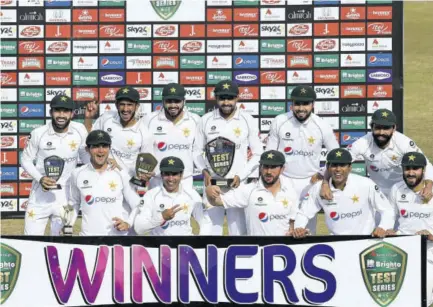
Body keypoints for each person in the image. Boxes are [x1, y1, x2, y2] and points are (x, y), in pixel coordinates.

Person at [193, 79, 264, 235]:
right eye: (222, 97)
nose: (226, 102)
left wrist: (241, 175)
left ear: (237, 98)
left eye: (230, 98)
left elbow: (258, 152)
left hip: (237, 186)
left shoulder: (248, 120)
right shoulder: (205, 120)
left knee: (238, 234)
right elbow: (196, 151)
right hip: (212, 185)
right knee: (210, 233)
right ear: (216, 98)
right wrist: (204, 171)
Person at [266, 85, 339, 235]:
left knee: (306, 227)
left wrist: (322, 174)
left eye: (305, 104)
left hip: (310, 182)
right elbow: (269, 154)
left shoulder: (322, 125)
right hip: (283, 180)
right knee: (280, 224)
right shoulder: (280, 121)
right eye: (297, 103)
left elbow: (336, 155)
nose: (301, 108)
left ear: (313, 104)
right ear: (291, 104)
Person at [321, 108, 433, 200]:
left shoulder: (403, 142)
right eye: (378, 128)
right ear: (372, 127)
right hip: (378, 192)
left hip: (403, 189)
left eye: (386, 128)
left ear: (394, 128)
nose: (381, 132)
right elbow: (339, 161)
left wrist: (428, 186)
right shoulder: (363, 142)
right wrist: (325, 182)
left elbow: (425, 164)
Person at [21, 95, 89, 235]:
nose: (61, 115)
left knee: (60, 246)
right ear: (51, 112)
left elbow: (87, 159)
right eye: (57, 111)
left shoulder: (80, 130)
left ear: (72, 113)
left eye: (65, 111)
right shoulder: (38, 133)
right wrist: (40, 178)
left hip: (66, 198)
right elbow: (26, 160)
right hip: (40, 197)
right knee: (31, 242)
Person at [293, 148, 395, 238]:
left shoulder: (366, 184)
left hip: (365, 241)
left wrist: (383, 227)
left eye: (342, 165)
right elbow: (304, 213)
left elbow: (387, 210)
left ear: (350, 167)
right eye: (334, 165)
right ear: (328, 167)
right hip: (336, 243)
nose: (338, 169)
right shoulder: (318, 188)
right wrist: (299, 228)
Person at [61, 130, 141, 236]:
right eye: (95, 146)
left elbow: (137, 204)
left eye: (104, 146)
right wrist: (68, 226)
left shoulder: (121, 173)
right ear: (87, 149)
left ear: (109, 148)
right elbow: (74, 204)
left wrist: (128, 223)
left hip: (116, 239)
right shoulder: (77, 174)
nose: (101, 151)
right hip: (87, 238)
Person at [205, 150, 298, 236]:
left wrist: (296, 233)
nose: (269, 171)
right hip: (257, 251)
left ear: (282, 169)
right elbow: (217, 201)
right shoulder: (249, 190)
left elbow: (291, 225)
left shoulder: (290, 192)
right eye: (265, 166)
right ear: (260, 167)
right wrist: (209, 191)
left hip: (282, 249)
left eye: (273, 167)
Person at [386, 152, 433, 306]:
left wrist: (431, 235)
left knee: (422, 300)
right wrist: (388, 230)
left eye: (415, 168)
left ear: (424, 170)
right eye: (407, 168)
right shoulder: (396, 189)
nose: (411, 172)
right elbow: (390, 217)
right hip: (404, 252)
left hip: (429, 254)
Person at [134, 156, 212, 236]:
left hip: (184, 246)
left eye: (174, 174)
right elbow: (138, 228)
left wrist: (200, 243)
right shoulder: (151, 195)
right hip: (160, 246)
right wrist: (161, 217)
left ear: (181, 175)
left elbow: (205, 222)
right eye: (167, 174)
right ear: (161, 175)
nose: (171, 179)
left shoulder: (191, 194)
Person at [142, 83, 200, 189]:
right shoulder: (149, 120)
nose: (173, 105)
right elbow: (142, 149)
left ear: (184, 101)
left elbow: (200, 150)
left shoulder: (195, 120)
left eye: (177, 101)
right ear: (163, 101)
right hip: (158, 180)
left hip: (185, 180)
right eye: (169, 101)